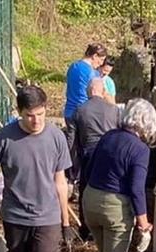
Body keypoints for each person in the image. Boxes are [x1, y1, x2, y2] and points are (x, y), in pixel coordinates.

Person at [0, 86, 74, 252]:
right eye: (30, 115)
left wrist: (65, 222)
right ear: (19, 112)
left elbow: (60, 181)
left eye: (41, 114)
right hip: (16, 217)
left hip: (47, 217)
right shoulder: (4, 138)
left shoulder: (56, 137)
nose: (36, 121)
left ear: (46, 108)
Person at [81, 98, 156, 252]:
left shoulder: (108, 136)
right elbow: (136, 189)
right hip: (114, 208)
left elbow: (88, 168)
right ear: (146, 124)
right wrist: (144, 225)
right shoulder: (140, 149)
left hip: (90, 200)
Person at [70, 77, 119, 209]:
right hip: (110, 154)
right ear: (103, 92)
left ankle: (86, 225)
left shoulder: (79, 110)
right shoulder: (114, 110)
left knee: (86, 189)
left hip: (88, 154)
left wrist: (70, 165)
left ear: (87, 92)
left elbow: (71, 140)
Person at [62, 43, 108, 181]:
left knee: (70, 144)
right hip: (84, 112)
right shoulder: (92, 73)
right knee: (83, 145)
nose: (100, 64)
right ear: (94, 56)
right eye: (100, 60)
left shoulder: (73, 67)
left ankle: (65, 172)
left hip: (69, 111)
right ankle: (79, 176)